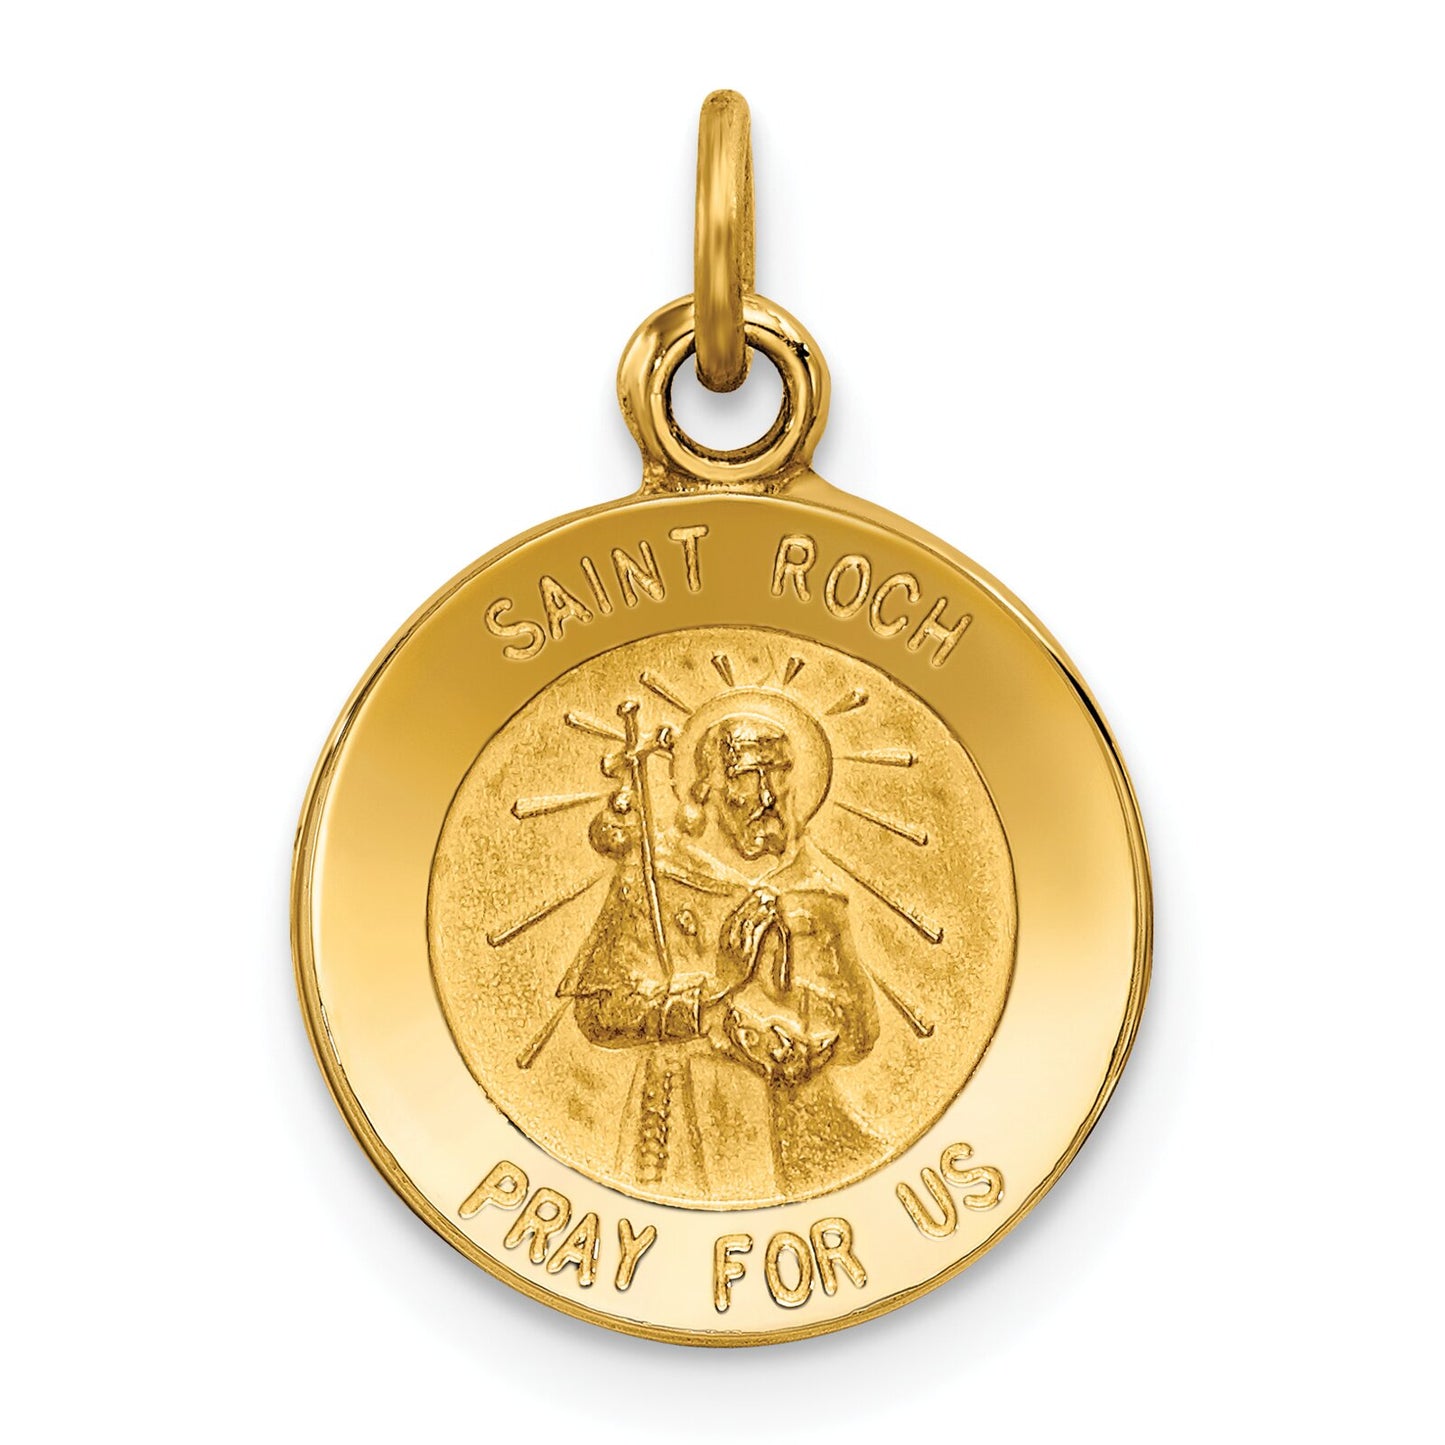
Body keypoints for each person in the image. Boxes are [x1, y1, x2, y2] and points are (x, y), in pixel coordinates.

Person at [558, 707, 880, 1203]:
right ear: (706, 786)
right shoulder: (656, 877)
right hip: (686, 1111)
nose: (768, 795)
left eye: (779, 773)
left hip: (801, 1126)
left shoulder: (816, 892)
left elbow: (859, 1030)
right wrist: (715, 994)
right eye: (748, 776)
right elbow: (600, 1012)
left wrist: (802, 1034)